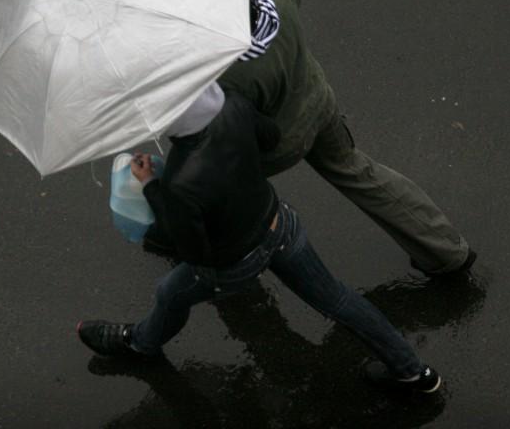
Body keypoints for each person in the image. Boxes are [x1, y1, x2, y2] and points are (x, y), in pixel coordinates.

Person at [77, 83, 442, 393]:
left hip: (233, 261)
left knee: (169, 293)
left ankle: (140, 344)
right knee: (338, 298)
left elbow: (191, 249)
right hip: (279, 224)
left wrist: (153, 188)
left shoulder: (179, 181)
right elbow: (271, 137)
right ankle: (414, 371)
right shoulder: (234, 106)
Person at [154, 0, 474, 275]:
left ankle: (216, 262)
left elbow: (230, 129)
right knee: (357, 171)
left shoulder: (225, 76)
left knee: (202, 185)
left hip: (276, 142)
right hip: (317, 101)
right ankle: (446, 251)